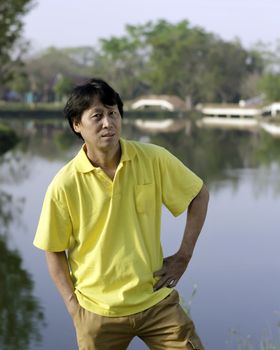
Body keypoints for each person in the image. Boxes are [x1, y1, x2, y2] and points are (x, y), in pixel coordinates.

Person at [33, 78, 209, 350]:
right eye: (97, 116)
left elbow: (198, 194)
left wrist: (184, 255)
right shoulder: (64, 183)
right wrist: (73, 307)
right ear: (77, 125)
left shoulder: (153, 158)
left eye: (113, 113)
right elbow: (53, 250)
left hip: (155, 300)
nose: (108, 123)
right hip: (97, 311)